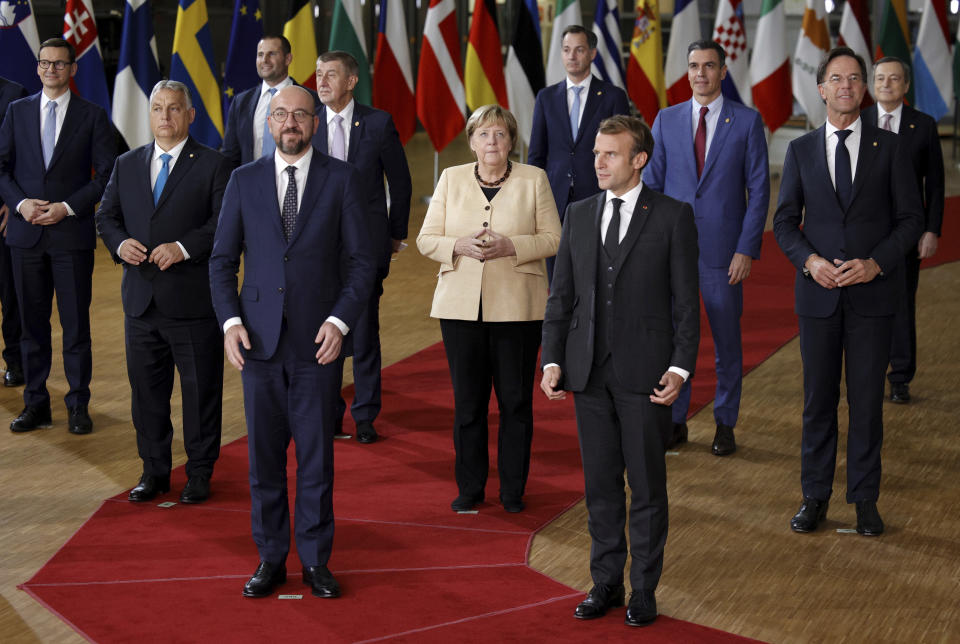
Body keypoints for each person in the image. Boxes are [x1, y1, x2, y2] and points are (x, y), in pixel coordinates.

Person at [210, 85, 375, 599]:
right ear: (269, 122)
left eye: (300, 115)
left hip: (316, 345)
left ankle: (316, 562)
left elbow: (362, 263)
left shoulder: (342, 179)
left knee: (316, 461)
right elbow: (220, 262)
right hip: (255, 345)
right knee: (263, 462)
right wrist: (230, 323)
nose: (290, 123)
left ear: (315, 123)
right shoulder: (242, 180)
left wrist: (340, 321)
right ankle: (270, 558)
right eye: (281, 114)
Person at [541, 115, 699, 627]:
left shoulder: (674, 216)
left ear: (639, 160)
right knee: (600, 485)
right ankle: (605, 581)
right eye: (596, 154)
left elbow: (685, 304)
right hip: (587, 374)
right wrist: (553, 358)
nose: (599, 162)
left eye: (610, 154)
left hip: (647, 374)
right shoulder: (580, 213)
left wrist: (679, 367)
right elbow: (560, 295)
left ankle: (644, 589)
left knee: (648, 486)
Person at [773, 47, 923, 537]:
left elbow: (910, 221)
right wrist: (811, 262)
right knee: (818, 401)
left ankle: (864, 499)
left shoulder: (893, 148)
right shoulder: (799, 150)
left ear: (864, 89)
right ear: (821, 90)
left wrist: (875, 263)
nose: (845, 86)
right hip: (817, 297)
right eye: (836, 78)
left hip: (873, 298)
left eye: (855, 78)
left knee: (866, 402)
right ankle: (814, 496)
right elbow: (784, 223)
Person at [417, 105, 561, 514]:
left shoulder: (535, 179)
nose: (492, 142)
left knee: (515, 401)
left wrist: (512, 246)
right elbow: (427, 239)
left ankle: (513, 490)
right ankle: (470, 488)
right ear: (471, 141)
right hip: (460, 308)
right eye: (483, 135)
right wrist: (456, 246)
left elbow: (554, 238)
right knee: (468, 402)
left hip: (518, 308)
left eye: (499, 134)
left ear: (512, 140)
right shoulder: (450, 178)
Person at [96, 80, 230, 504]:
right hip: (140, 304)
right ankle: (153, 471)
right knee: (147, 396)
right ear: (149, 114)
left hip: (192, 303)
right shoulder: (128, 163)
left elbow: (224, 225)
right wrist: (119, 244)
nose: (166, 117)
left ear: (190, 114)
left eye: (174, 109)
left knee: (199, 394)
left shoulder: (214, 164)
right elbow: (106, 215)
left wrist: (184, 247)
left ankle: (199, 473)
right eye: (158, 109)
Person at [644, 40, 769, 454]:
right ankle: (676, 420)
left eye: (709, 66)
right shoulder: (665, 119)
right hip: (673, 253)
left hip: (723, 255)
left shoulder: (747, 122)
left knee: (726, 343)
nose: (701, 73)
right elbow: (653, 187)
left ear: (722, 71)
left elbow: (759, 190)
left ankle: (725, 422)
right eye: (694, 65)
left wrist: (746, 249)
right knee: (677, 340)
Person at [0, 38, 116, 435]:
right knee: (31, 326)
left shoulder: (93, 115)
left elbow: (105, 175)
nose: (52, 70)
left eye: (59, 64)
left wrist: (66, 207)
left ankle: (78, 405)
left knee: (75, 326)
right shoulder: (17, 112)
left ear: (72, 69)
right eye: (45, 64)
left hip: (70, 236)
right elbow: (1, 169)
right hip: (25, 233)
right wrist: (20, 206)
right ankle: (36, 404)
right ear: (37, 68)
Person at [315, 51, 411, 444]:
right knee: (324, 328)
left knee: (366, 329)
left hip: (366, 245)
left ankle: (366, 414)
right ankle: (329, 413)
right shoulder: (309, 121)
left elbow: (400, 182)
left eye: (331, 75)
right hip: (319, 247)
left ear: (351, 81)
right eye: (319, 74)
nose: (321, 82)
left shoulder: (377, 122)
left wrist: (394, 234)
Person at [863, 57, 945, 404]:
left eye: (894, 79)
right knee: (864, 305)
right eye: (880, 78)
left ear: (905, 85)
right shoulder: (858, 119)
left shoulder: (922, 125)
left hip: (907, 232)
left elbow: (936, 184)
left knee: (901, 303)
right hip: (865, 230)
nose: (886, 84)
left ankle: (899, 376)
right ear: (872, 82)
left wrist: (932, 230)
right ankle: (866, 372)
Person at [528, 24, 629, 278]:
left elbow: (623, 153)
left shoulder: (612, 96)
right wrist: (533, 200)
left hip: (598, 198)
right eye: (566, 50)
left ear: (592, 54)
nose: (572, 56)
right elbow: (537, 155)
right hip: (554, 201)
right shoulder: (546, 97)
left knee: (595, 273)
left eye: (579, 50)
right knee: (557, 275)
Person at [221, 35, 320, 168]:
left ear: (288, 59)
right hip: (252, 184)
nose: (265, 60)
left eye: (272, 54)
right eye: (260, 55)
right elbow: (230, 155)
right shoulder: (241, 102)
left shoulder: (312, 100)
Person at [0, 76, 27, 388]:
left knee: (10, 294)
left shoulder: (13, 93)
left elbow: (25, 154)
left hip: (3, 210)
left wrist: (14, 200)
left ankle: (15, 361)